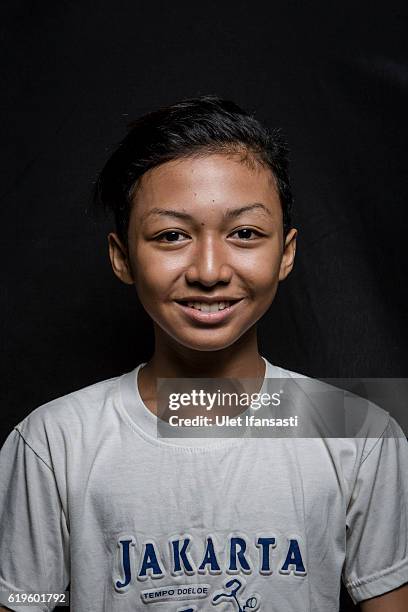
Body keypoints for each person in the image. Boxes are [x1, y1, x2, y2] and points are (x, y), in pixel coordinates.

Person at [0, 95, 407, 612]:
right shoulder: (56, 441)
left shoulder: (356, 429)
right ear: (122, 257)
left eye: (245, 234)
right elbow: (24, 597)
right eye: (172, 235)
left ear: (286, 253)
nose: (210, 271)